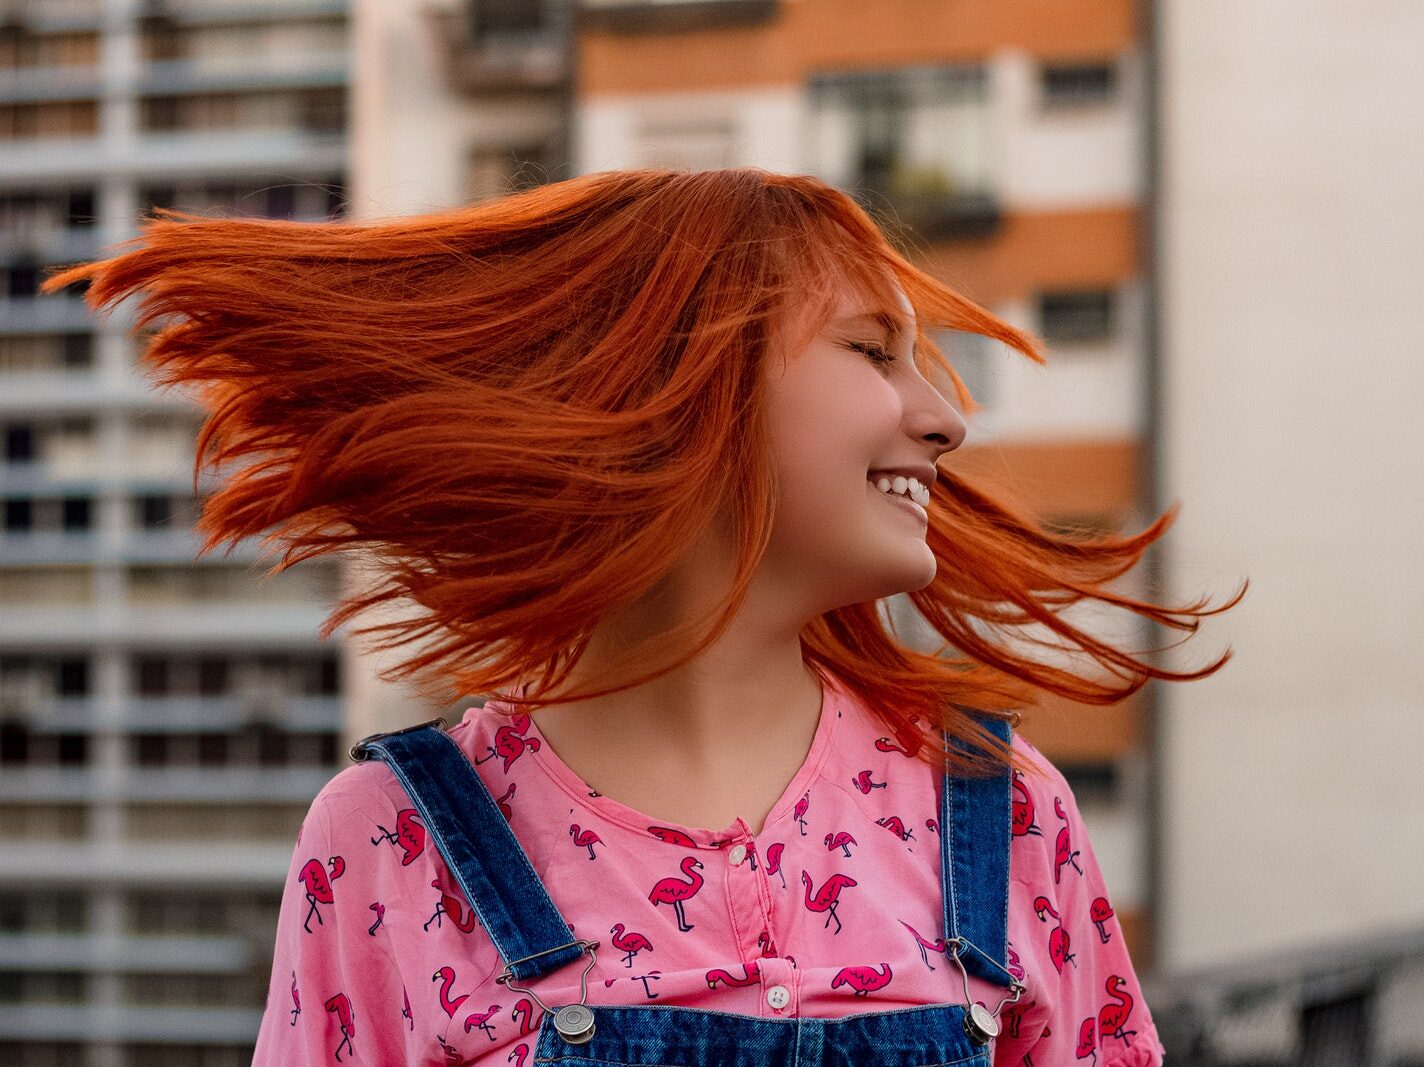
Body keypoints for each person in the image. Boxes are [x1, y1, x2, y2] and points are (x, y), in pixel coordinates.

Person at [45, 167, 1240, 1065]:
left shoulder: (1008, 813)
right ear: (672, 390)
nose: (942, 419)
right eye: (874, 351)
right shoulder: (389, 844)